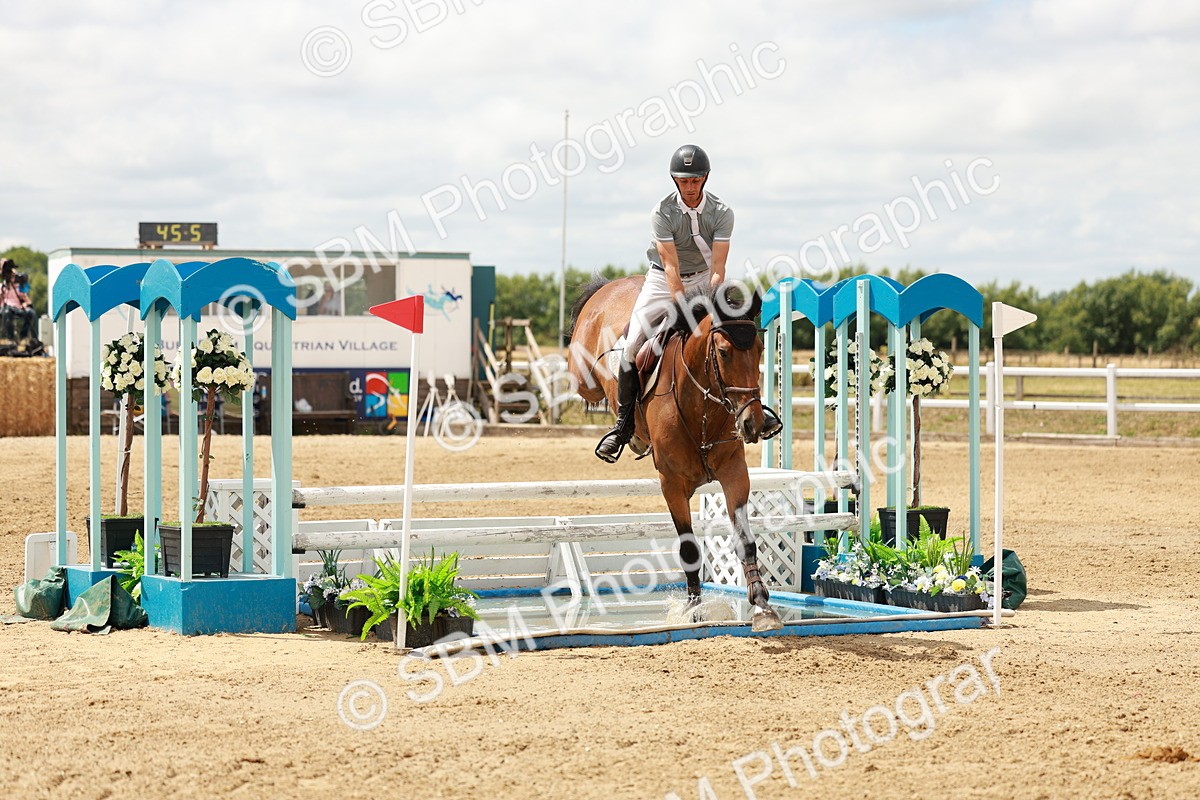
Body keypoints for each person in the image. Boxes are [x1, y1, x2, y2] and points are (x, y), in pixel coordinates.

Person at [595, 144, 781, 462]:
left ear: (705, 179)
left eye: (695, 180)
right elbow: (670, 267)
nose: (690, 186)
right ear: (675, 180)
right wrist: (683, 307)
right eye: (684, 180)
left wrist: (711, 305)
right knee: (631, 346)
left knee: (734, 335)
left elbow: (719, 268)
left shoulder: (722, 213)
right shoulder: (662, 212)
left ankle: (755, 406)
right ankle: (624, 427)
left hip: (707, 278)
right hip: (662, 281)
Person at [0, 259, 36, 342]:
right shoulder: (2, 286)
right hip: (6, 308)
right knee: (7, 311)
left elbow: (27, 299)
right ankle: (10, 338)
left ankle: (23, 336)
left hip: (18, 308)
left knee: (31, 313)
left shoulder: (19, 286)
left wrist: (26, 304)